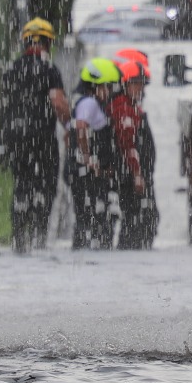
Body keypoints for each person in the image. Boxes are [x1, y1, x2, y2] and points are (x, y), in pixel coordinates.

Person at [0, 18, 70, 254]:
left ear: (25, 42)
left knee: (22, 184)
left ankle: (19, 239)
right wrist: (70, 124)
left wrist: (1, 142)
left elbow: (2, 108)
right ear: (48, 43)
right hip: (42, 139)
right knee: (45, 186)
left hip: (16, 138)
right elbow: (58, 102)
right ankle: (38, 238)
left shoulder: (11, 69)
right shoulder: (49, 69)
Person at [68, 57, 121, 250]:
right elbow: (81, 128)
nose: (109, 92)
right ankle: (90, 253)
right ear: (95, 86)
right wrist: (88, 158)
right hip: (86, 175)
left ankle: (87, 250)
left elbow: (71, 130)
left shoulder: (85, 102)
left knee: (89, 217)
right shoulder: (89, 103)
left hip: (85, 173)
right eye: (107, 87)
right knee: (91, 217)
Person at [111, 58, 158, 250]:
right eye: (137, 84)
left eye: (142, 84)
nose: (141, 89)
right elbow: (128, 145)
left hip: (132, 174)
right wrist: (137, 174)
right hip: (129, 176)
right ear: (125, 84)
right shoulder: (123, 109)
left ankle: (131, 248)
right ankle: (129, 250)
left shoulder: (132, 108)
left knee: (142, 218)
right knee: (137, 218)